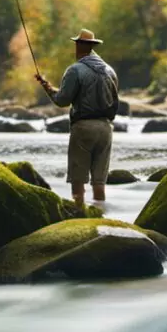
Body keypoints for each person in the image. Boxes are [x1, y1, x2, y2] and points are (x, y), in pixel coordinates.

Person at [36, 29, 120, 206]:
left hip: (83, 128)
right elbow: (115, 101)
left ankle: (79, 214)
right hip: (106, 128)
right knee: (99, 182)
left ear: (80, 45)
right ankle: (100, 217)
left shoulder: (75, 70)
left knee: (78, 179)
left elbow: (62, 100)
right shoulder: (110, 71)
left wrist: (48, 88)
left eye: (76, 44)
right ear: (93, 47)